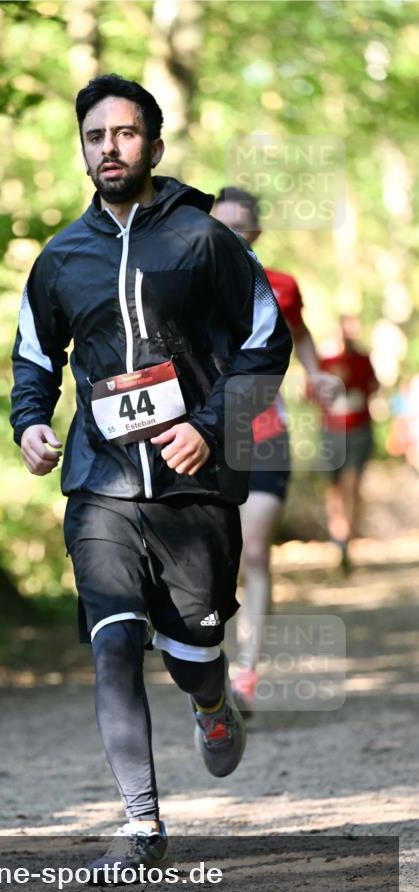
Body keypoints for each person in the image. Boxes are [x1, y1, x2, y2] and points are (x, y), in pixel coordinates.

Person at [10, 76, 292, 879]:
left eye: (125, 134)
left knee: (190, 653)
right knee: (112, 643)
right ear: (82, 148)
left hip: (191, 490)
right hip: (99, 483)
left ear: (153, 147)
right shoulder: (61, 257)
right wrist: (30, 420)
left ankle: (211, 701)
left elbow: (263, 342)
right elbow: (35, 356)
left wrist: (207, 430)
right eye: (95, 135)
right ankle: (140, 826)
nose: (109, 147)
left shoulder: (203, 240)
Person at [211, 188, 341, 714]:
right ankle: (207, 665)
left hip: (265, 434)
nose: (227, 237)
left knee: (255, 549)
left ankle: (245, 672)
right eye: (218, 228)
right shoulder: (186, 282)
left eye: (238, 228)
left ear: (257, 233)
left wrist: (318, 375)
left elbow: (300, 332)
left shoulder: (280, 285)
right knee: (211, 559)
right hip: (203, 439)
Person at [318, 315, 379, 571]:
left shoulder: (364, 360)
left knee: (351, 484)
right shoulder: (326, 362)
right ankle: (338, 537)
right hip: (331, 432)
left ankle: (347, 542)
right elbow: (314, 393)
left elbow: (374, 387)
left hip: (358, 430)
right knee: (334, 488)